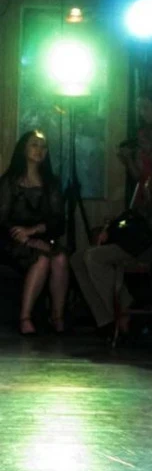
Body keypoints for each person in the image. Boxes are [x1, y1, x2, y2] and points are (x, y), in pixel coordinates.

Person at [71, 130, 152, 336]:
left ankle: (124, 309)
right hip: (143, 239)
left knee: (93, 257)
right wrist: (117, 226)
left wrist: (130, 223)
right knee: (77, 258)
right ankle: (106, 320)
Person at [0, 130, 69, 335]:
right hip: (12, 239)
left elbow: (58, 221)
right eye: (34, 145)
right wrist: (25, 238)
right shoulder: (9, 182)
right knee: (41, 259)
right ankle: (25, 317)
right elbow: (2, 220)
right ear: (23, 148)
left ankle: (57, 316)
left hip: (42, 236)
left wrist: (36, 231)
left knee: (60, 258)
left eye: (43, 146)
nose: (39, 150)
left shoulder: (51, 183)